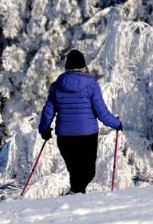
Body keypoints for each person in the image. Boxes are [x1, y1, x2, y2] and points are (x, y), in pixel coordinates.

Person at [38, 49, 122, 194]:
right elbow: (101, 112)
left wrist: (44, 129)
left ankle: (73, 199)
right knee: (88, 173)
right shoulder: (91, 84)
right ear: (83, 67)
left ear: (66, 67)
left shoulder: (56, 85)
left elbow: (48, 111)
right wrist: (117, 124)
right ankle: (73, 197)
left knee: (75, 174)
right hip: (87, 136)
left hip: (65, 137)